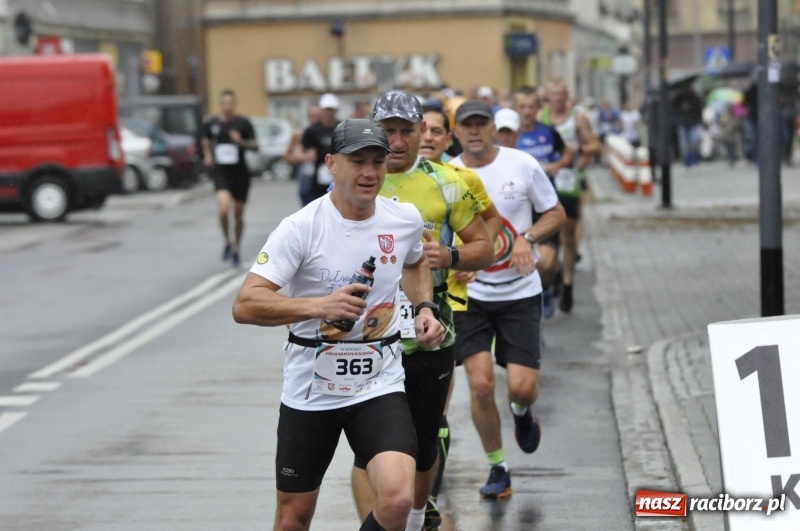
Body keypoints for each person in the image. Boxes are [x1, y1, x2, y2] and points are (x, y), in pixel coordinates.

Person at [232, 119, 445, 531]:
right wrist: (319, 306)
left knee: (398, 500)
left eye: (378, 161)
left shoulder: (403, 219)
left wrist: (424, 308)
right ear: (331, 163)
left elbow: (416, 262)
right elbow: (245, 303)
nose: (369, 172)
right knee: (293, 518)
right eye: (357, 161)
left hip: (379, 381)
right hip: (312, 388)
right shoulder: (301, 227)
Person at [349, 90, 495, 531]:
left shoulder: (447, 182)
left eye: (406, 131)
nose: (396, 141)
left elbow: (485, 247)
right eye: (388, 131)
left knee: (425, 436)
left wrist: (449, 256)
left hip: (430, 323)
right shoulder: (357, 181)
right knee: (368, 445)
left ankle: (415, 517)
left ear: (420, 133)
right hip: (368, 329)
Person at [450, 100, 566, 499]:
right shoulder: (449, 173)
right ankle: (498, 467)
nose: (475, 131)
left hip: (520, 292)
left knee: (521, 387)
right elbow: (437, 230)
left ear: (493, 128)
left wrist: (526, 238)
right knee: (481, 385)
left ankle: (521, 411)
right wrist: (459, 260)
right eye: (467, 125)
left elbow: (556, 213)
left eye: (481, 124)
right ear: (456, 131)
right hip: (473, 296)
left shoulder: (521, 164)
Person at [419, 103, 503, 529]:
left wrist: (463, 258)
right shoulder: (381, 179)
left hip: (452, 303)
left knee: (438, 407)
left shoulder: (459, 179)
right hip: (393, 314)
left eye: (436, 131)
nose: (427, 137)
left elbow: (492, 226)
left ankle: (430, 494)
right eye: (422, 129)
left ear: (446, 139)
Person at [540, 79, 602, 313]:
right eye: (553, 94)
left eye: (561, 94)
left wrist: (579, 150)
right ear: (548, 96)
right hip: (546, 180)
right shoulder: (541, 117)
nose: (557, 99)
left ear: (566, 96)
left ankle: (567, 282)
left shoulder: (578, 117)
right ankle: (553, 272)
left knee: (568, 236)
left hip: (569, 181)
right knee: (548, 234)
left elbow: (596, 146)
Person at [512, 87, 572, 318]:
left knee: (546, 263)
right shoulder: (509, 135)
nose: (527, 112)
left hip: (545, 206)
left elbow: (567, 153)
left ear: (538, 108)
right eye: (522, 107)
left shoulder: (548, 132)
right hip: (518, 206)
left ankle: (545, 287)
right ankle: (530, 299)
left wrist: (558, 165)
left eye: (531, 106)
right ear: (516, 109)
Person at [202, 89, 258, 267]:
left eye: (230, 103)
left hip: (240, 174)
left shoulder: (243, 123)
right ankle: (227, 241)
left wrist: (241, 142)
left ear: (234, 104)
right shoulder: (212, 123)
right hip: (221, 173)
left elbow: (256, 145)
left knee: (238, 213)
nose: (227, 106)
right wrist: (207, 154)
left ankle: (237, 248)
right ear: (220, 104)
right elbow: (205, 140)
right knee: (224, 209)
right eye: (224, 103)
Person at [302, 93, 341, 202]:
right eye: (326, 109)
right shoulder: (312, 130)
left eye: (331, 109)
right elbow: (301, 149)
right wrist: (306, 156)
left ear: (336, 110)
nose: (329, 113)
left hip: (339, 171)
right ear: (321, 110)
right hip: (318, 174)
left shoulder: (342, 127)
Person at [284, 104, 321, 206]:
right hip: (306, 175)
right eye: (313, 115)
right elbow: (287, 156)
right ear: (308, 116)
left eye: (318, 115)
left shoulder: (327, 132)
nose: (316, 118)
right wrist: (303, 158)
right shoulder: (300, 133)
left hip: (323, 176)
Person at [673, 87, 704, 168]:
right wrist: (682, 109)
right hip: (682, 123)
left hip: (692, 122)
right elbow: (674, 109)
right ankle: (687, 162)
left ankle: (694, 160)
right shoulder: (679, 98)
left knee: (694, 142)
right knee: (684, 145)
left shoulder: (694, 97)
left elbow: (698, 108)